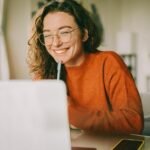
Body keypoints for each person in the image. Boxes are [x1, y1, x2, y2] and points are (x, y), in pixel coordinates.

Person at [27, 0, 144, 135]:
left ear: (84, 34)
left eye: (64, 32)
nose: (55, 43)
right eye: (48, 35)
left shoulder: (109, 62)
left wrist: (72, 113)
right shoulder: (44, 73)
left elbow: (133, 122)